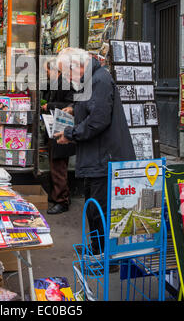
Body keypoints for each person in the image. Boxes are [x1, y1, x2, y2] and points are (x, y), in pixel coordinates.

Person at [54, 47, 136, 254]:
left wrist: (70, 134)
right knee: (93, 206)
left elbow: (98, 120)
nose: (66, 78)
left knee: (101, 210)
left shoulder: (100, 79)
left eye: (66, 72)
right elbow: (92, 106)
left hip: (104, 156)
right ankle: (97, 249)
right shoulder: (90, 79)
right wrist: (74, 107)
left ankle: (105, 257)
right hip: (97, 156)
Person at [41, 59, 75, 214]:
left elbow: (70, 106)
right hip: (55, 128)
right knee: (55, 164)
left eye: (47, 71)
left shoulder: (66, 83)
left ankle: (62, 200)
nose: (46, 75)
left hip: (62, 128)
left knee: (59, 165)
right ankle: (57, 196)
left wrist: (49, 106)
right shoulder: (56, 83)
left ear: (55, 70)